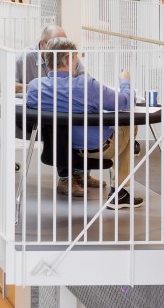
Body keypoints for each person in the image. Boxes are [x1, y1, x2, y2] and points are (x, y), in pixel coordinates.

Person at [25, 38, 143, 209]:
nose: (77, 63)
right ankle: (120, 191)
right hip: (98, 149)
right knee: (129, 124)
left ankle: (119, 187)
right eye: (76, 58)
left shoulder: (35, 88)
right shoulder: (86, 85)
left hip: (60, 150)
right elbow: (126, 101)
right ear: (68, 59)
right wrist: (125, 81)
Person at [16, 24, 85, 88]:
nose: (61, 50)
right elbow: (12, 85)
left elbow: (85, 79)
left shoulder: (69, 56)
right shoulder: (22, 58)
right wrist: (40, 88)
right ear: (42, 44)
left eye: (64, 44)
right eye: (54, 46)